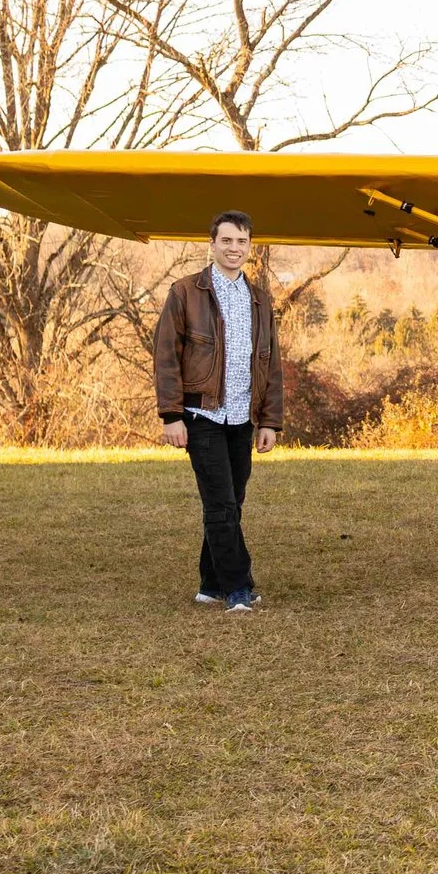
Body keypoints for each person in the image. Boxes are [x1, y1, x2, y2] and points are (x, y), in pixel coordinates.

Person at [154, 210, 281, 613]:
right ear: (212, 244)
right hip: (201, 415)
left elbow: (270, 363)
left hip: (242, 419)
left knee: (231, 502)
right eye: (226, 241)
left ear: (249, 247)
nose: (234, 249)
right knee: (221, 505)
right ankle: (238, 587)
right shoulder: (186, 292)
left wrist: (270, 422)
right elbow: (166, 357)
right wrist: (171, 415)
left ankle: (210, 584)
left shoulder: (259, 299)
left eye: (241, 242)